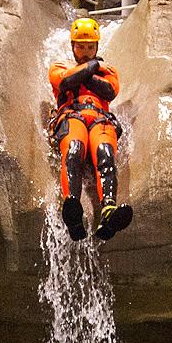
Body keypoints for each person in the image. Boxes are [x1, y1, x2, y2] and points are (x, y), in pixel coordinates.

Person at [49, 18, 133, 242]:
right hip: (72, 116)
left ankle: (108, 210)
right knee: (74, 150)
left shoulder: (110, 72)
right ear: (72, 46)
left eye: (89, 48)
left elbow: (108, 92)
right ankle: (72, 208)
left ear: (96, 47)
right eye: (80, 47)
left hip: (100, 119)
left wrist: (87, 70)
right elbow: (66, 83)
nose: (85, 52)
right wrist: (94, 65)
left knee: (105, 153)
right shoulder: (59, 67)